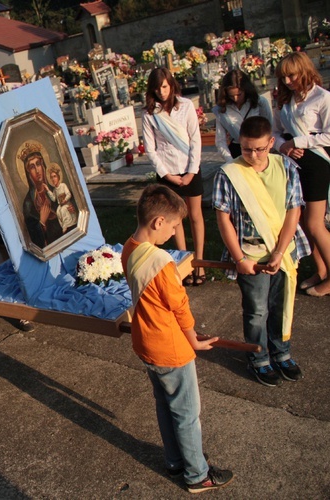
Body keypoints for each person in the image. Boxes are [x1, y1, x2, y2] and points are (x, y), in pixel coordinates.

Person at [122, 184, 233, 493]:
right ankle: (198, 474)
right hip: (171, 349)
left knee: (164, 404)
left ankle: (175, 460)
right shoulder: (160, 264)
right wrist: (194, 340)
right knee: (186, 413)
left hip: (145, 344)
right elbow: (180, 307)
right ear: (158, 222)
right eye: (172, 226)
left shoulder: (129, 247)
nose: (173, 232)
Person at [214, 116, 308, 385]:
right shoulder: (228, 174)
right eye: (246, 149)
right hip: (250, 256)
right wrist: (239, 258)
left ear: (271, 143)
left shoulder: (287, 167)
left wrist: (279, 253)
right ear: (238, 144)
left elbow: (294, 211)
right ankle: (258, 356)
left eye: (259, 149)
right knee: (256, 310)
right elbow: (224, 220)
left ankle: (281, 352)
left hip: (282, 252)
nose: (253, 155)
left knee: (280, 305)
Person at [142, 67, 206, 286]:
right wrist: (167, 175)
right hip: (168, 172)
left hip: (190, 168)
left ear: (171, 85)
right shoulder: (150, 115)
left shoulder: (185, 106)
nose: (162, 92)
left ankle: (200, 262)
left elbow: (195, 139)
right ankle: (184, 262)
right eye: (157, 88)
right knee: (175, 219)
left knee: (195, 215)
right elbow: (150, 149)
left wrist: (191, 171)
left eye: (165, 87)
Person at [273, 51, 330, 297]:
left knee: (316, 224)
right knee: (305, 223)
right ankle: (321, 270)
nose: (287, 82)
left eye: (292, 76)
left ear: (304, 71)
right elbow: (275, 132)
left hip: (317, 164)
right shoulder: (284, 100)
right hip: (294, 166)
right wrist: (282, 146)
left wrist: (297, 140)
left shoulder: (323, 97)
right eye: (283, 77)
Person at [215, 69, 273, 161]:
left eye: (239, 94)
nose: (235, 98)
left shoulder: (260, 103)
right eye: (231, 95)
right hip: (237, 150)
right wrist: (230, 160)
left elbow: (270, 129)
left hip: (259, 150)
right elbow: (220, 140)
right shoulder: (221, 109)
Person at [18, 141, 64, 246]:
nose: (37, 170)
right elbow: (32, 235)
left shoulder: (56, 190)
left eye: (38, 164)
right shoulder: (28, 202)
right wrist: (42, 222)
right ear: (28, 172)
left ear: (43, 166)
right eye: (32, 167)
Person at [46, 162, 78, 234]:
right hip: (60, 205)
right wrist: (48, 190)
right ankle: (63, 225)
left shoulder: (63, 185)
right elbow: (54, 198)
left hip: (66, 204)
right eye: (51, 177)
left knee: (63, 210)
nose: (53, 179)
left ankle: (65, 226)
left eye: (55, 176)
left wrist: (65, 200)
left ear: (58, 177)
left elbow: (69, 194)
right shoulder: (55, 189)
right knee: (58, 211)